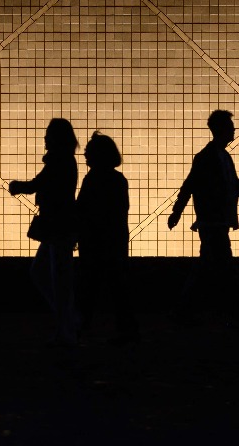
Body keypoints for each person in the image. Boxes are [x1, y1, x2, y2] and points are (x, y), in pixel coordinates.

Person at [167, 110, 239, 322]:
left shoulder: (217, 157)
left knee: (207, 267)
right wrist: (176, 212)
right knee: (225, 269)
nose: (234, 130)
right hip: (213, 222)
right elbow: (196, 186)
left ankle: (187, 310)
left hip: (214, 221)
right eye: (230, 127)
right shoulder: (212, 158)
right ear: (222, 130)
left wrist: (176, 213)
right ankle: (232, 313)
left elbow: (227, 186)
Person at [9, 118, 80, 347]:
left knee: (53, 277)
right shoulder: (65, 160)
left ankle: (65, 327)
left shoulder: (59, 161)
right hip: (59, 227)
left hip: (57, 227)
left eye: (48, 133)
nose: (45, 137)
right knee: (48, 274)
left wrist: (19, 186)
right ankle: (67, 320)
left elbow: (38, 184)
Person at [75, 131, 139, 344]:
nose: (85, 156)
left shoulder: (92, 179)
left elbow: (82, 209)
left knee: (88, 286)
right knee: (119, 286)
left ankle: (80, 326)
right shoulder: (118, 179)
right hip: (115, 239)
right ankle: (127, 329)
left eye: (88, 152)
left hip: (93, 240)